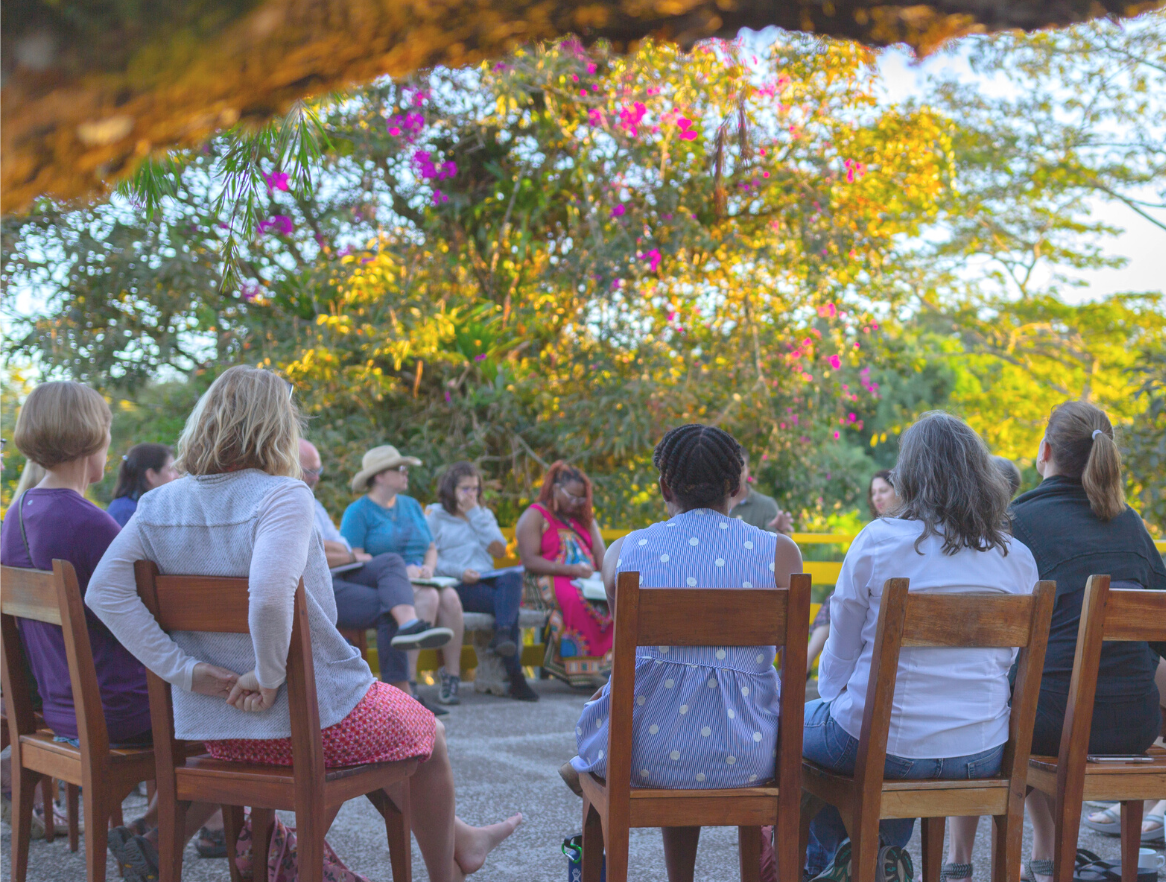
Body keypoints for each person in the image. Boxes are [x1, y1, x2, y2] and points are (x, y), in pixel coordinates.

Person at [86, 366, 521, 882]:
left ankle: (464, 840)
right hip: (310, 721)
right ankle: (449, 875)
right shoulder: (282, 495)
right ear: (277, 428)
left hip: (220, 728)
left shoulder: (158, 504)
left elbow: (103, 593)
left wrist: (184, 671)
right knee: (428, 734)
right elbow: (270, 600)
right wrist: (268, 678)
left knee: (393, 730)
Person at [805, 412, 1039, 882]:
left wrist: (830, 699)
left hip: (885, 745)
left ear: (908, 474)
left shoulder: (879, 542)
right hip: (981, 750)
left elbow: (841, 652)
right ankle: (877, 858)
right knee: (880, 744)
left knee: (801, 731)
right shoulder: (1017, 557)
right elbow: (1008, 663)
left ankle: (828, 866)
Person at [569, 424, 803, 882]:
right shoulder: (779, 553)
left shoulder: (624, 551)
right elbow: (783, 656)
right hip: (749, 754)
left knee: (661, 701)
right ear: (736, 487)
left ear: (664, 487)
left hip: (646, 755)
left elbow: (626, 659)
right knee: (710, 697)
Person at [944, 401, 1166, 882]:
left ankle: (959, 863)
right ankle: (1046, 859)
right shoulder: (1131, 524)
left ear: (1044, 451)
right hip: (1135, 723)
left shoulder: (1016, 522)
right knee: (1047, 690)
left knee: (1007, 697)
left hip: (1051, 724)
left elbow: (988, 632)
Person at [0, 383, 159, 856]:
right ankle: (177, 833)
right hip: (120, 711)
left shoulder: (15, 517)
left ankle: (154, 829)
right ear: (94, 437)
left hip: (59, 708)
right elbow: (151, 617)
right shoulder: (88, 522)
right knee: (239, 705)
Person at [299, 440, 453, 702]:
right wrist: (341, 553)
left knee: (391, 563)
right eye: (308, 471)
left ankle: (408, 627)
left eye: (318, 471)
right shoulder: (288, 502)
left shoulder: (314, 503)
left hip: (339, 576)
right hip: (314, 590)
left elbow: (342, 547)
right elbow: (310, 549)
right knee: (390, 603)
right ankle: (404, 695)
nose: (315, 478)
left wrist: (339, 552)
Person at [341, 445, 466, 709]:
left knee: (451, 598)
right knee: (429, 597)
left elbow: (430, 547)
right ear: (379, 477)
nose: (406, 473)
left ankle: (452, 679)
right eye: (400, 469)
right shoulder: (358, 511)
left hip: (423, 576)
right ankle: (409, 687)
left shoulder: (411, 506)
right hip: (385, 581)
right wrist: (400, 572)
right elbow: (353, 558)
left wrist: (429, 567)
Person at [427, 462, 539, 702]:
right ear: (451, 488)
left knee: (512, 576)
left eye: (475, 489)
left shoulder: (483, 514)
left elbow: (500, 551)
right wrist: (460, 572)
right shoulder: (435, 515)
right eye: (465, 489)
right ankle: (516, 677)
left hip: (486, 580)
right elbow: (430, 558)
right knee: (507, 609)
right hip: (456, 584)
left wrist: (474, 514)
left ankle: (503, 634)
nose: (472, 494)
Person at [515, 461, 611, 689]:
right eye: (571, 496)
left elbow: (600, 552)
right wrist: (571, 570)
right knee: (574, 599)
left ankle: (606, 668)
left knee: (611, 600)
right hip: (542, 577)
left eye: (581, 498)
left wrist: (606, 575)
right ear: (555, 488)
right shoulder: (535, 514)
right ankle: (581, 671)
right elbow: (529, 560)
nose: (576, 503)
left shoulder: (585, 519)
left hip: (585, 580)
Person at [806, 469, 899, 673]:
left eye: (883, 490)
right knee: (838, 599)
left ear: (898, 491)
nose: (877, 497)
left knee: (840, 599)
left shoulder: (894, 531)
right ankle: (805, 665)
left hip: (888, 599)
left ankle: (804, 665)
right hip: (878, 597)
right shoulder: (874, 529)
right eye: (874, 493)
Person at [106, 443, 180, 526]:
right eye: (170, 470)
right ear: (151, 475)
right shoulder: (127, 513)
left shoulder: (134, 508)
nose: (177, 476)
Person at [729, 449, 794, 533]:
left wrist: (780, 531)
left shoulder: (766, 505)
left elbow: (776, 542)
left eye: (741, 469)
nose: (736, 475)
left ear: (748, 471)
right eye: (731, 469)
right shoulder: (712, 503)